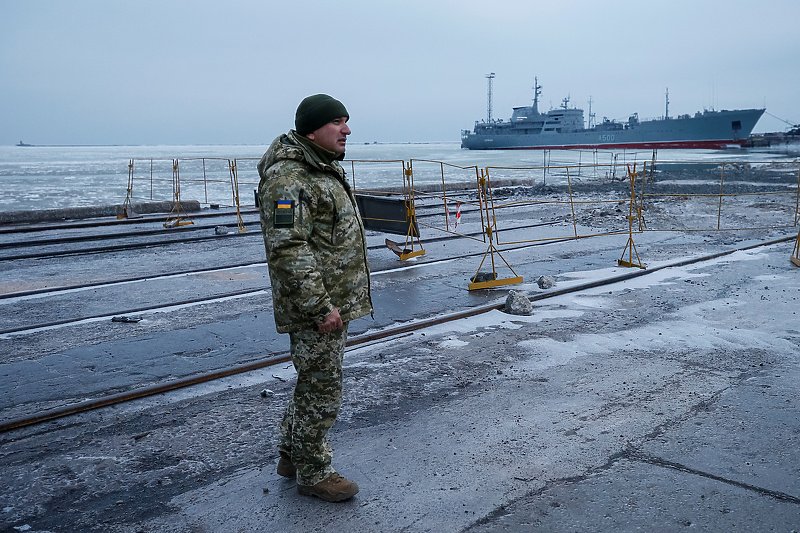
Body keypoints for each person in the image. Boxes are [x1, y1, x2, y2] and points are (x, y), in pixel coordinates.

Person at [256, 94, 373, 502]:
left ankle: (291, 453)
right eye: (338, 122)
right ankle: (314, 470)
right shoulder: (290, 179)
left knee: (313, 381)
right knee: (323, 387)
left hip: (331, 303)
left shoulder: (319, 168)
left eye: (346, 121)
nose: (347, 130)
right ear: (312, 129)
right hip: (317, 306)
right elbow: (287, 248)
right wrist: (319, 306)